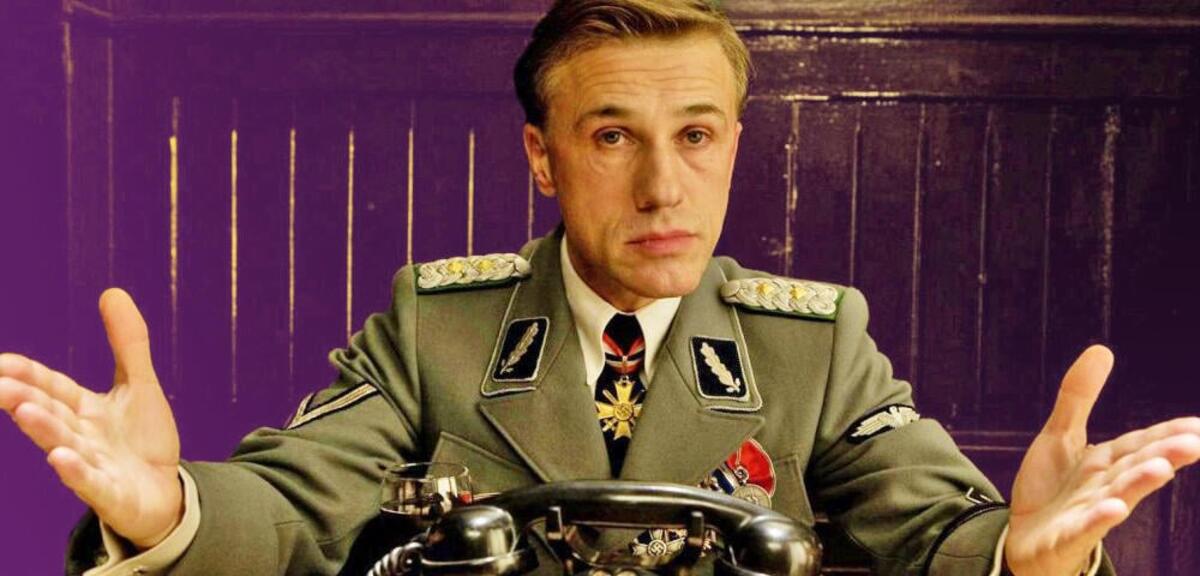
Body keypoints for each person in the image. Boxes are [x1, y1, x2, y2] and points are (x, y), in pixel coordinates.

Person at [2, 1, 1198, 574]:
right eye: (614, 136)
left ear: (734, 144)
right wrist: (164, 510)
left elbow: (943, 532)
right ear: (543, 155)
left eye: (697, 136)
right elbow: (288, 508)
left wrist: (1029, 557)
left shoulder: (816, 343)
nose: (664, 187)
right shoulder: (436, 325)